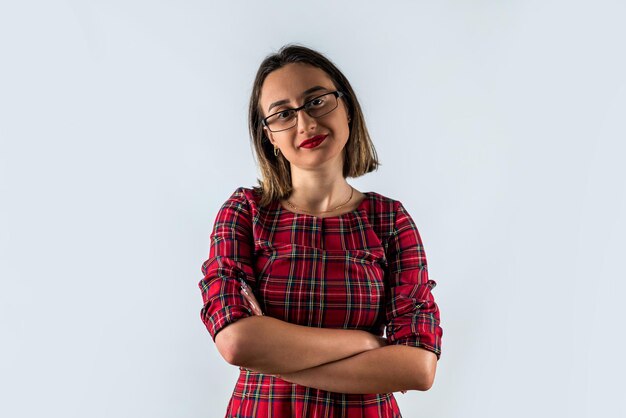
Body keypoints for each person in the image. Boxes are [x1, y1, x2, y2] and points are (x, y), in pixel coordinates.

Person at [198, 43, 443, 417]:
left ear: (347, 108)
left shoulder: (389, 220)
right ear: (270, 138)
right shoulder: (245, 212)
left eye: (316, 101)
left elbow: (418, 367)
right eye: (283, 114)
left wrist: (274, 352)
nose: (306, 124)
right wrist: (365, 342)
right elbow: (236, 342)